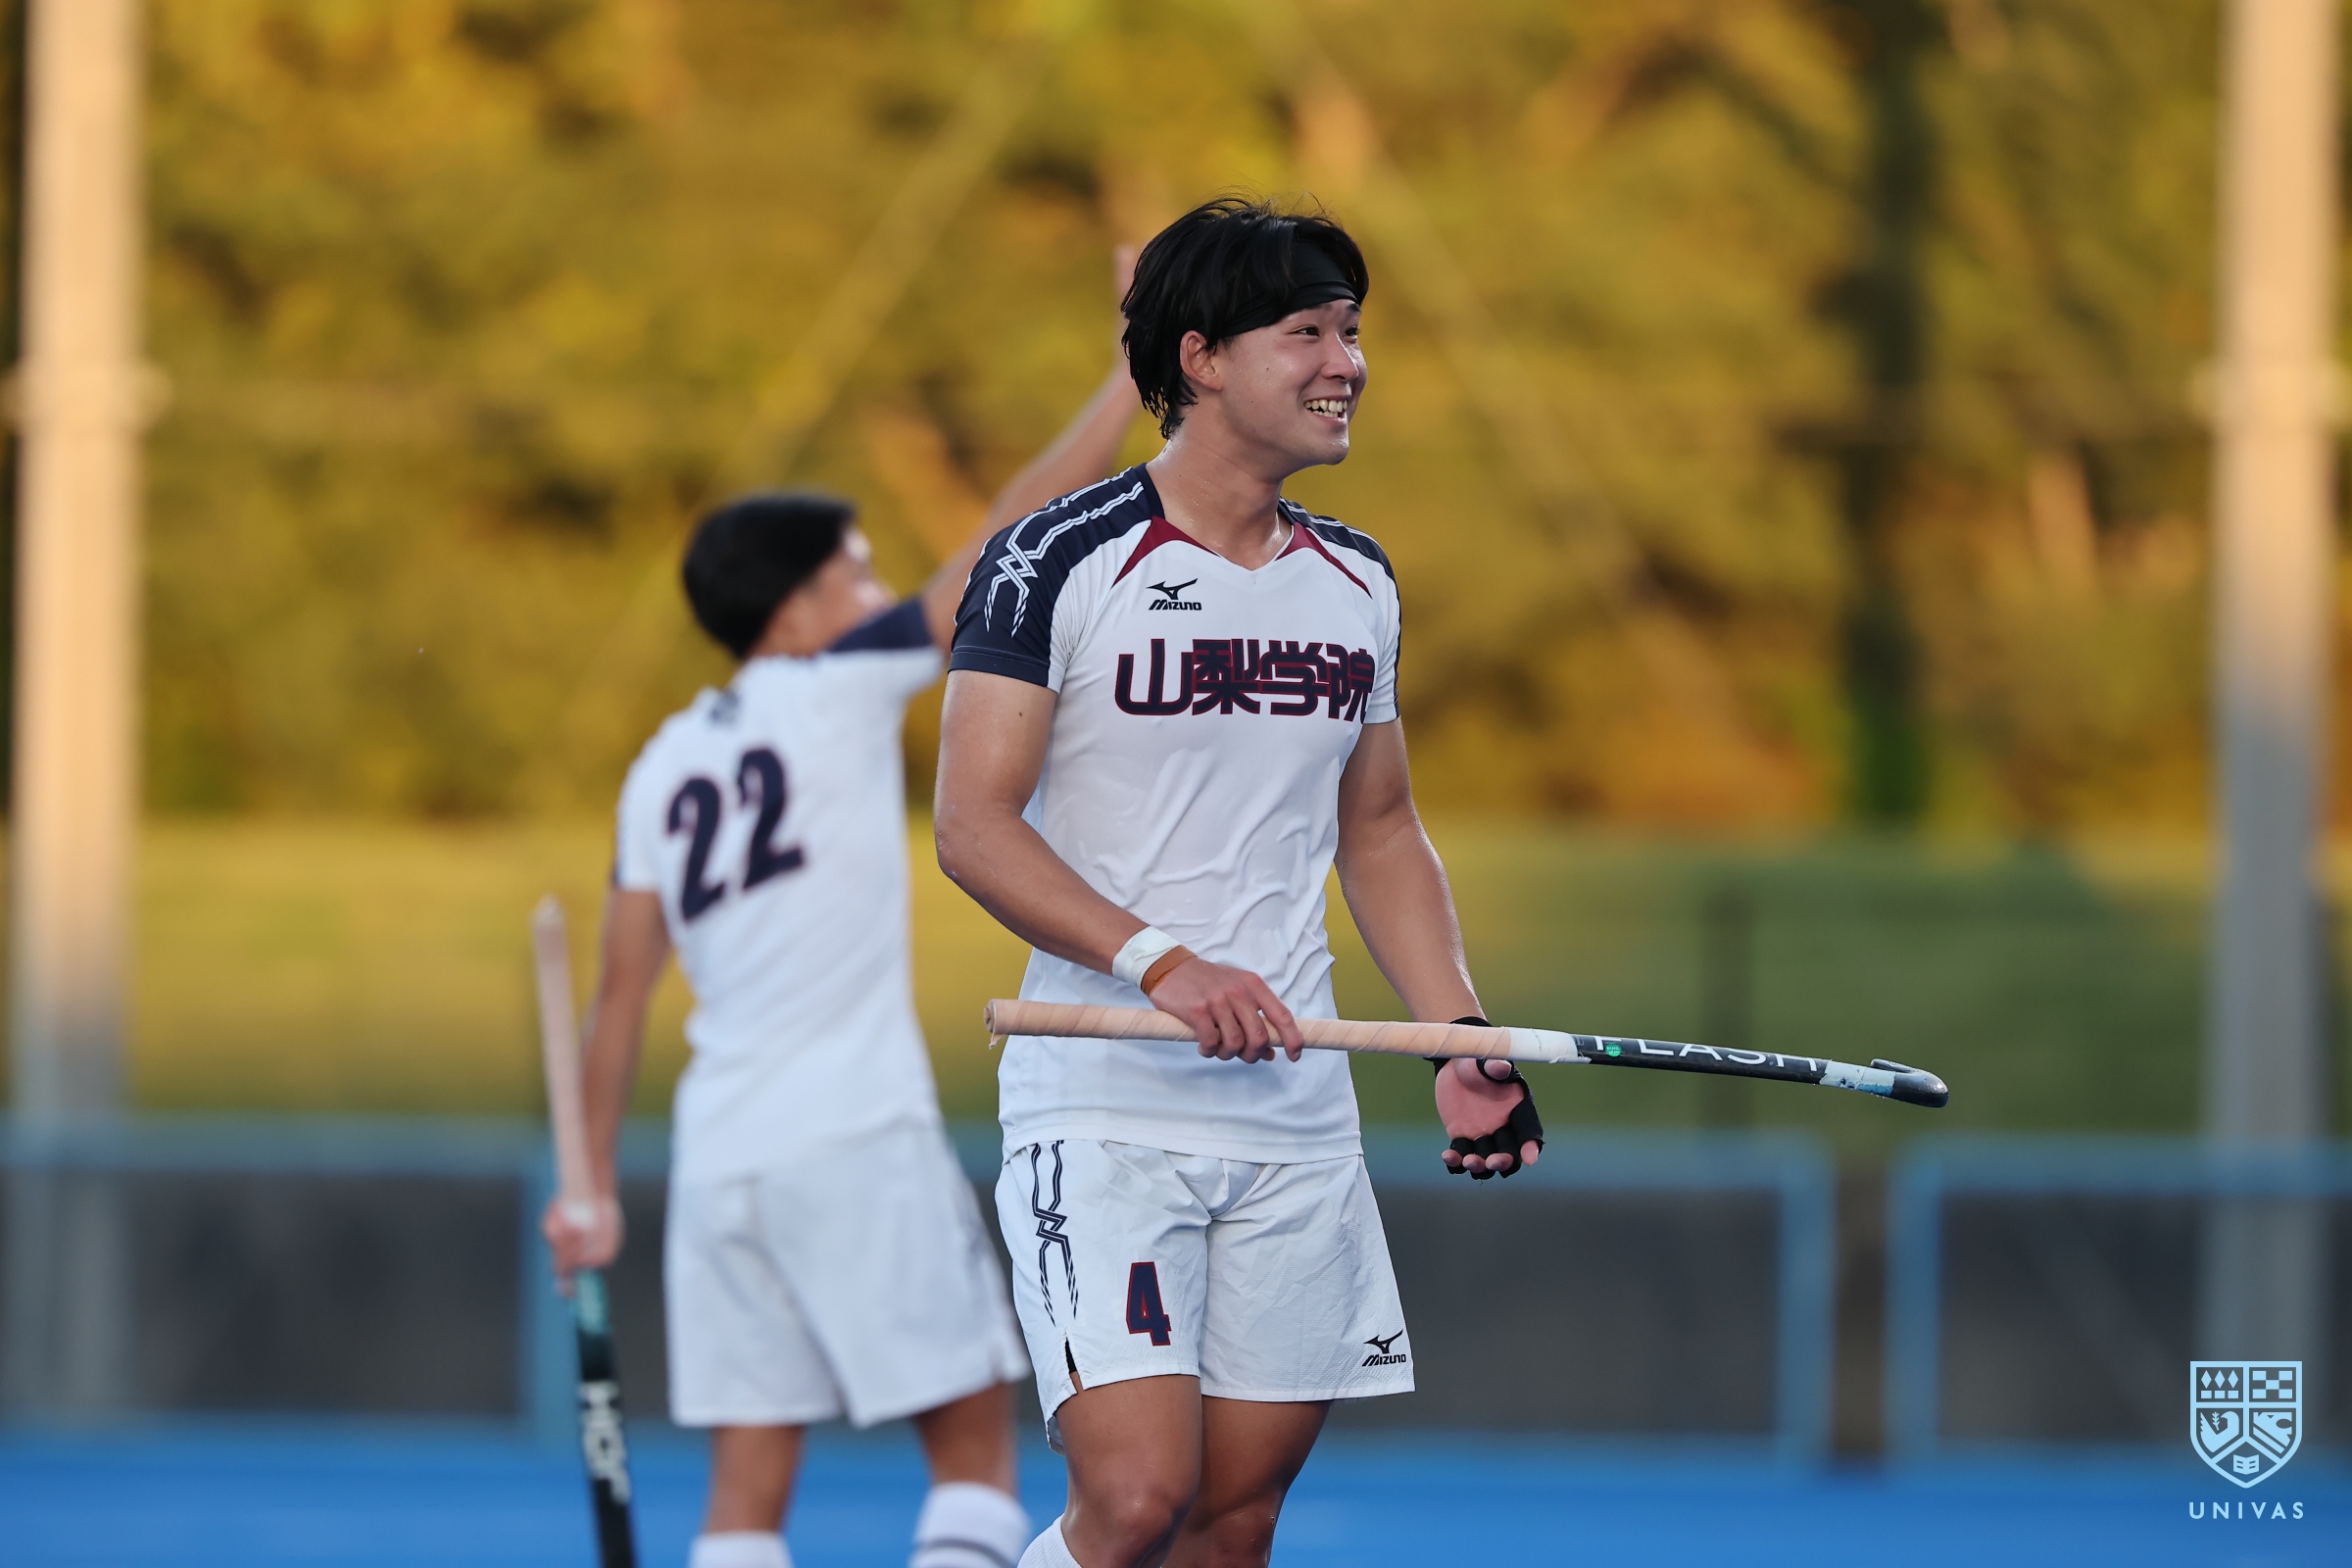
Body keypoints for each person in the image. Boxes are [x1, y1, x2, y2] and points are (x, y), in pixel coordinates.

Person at [933, 198, 1544, 1568]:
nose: (1347, 365)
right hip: (1106, 1100)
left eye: (1353, 333)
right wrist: (1165, 962)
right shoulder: (1053, 558)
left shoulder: (1358, 581)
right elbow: (972, 825)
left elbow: (1379, 828)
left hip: (1293, 1112)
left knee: (1232, 1522)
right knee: (1135, 1501)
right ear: (1200, 358)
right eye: (1308, 333)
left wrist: (1457, 1032)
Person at [543, 266, 1142, 1568]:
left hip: (723, 1159)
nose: (878, 593)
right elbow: (1008, 538)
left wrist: (585, 1184)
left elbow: (619, 999)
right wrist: (1124, 378)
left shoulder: (658, 765)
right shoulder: (836, 687)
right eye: (856, 573)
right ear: (795, 610)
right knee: (974, 1455)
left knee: (744, 1496)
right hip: (855, 1133)